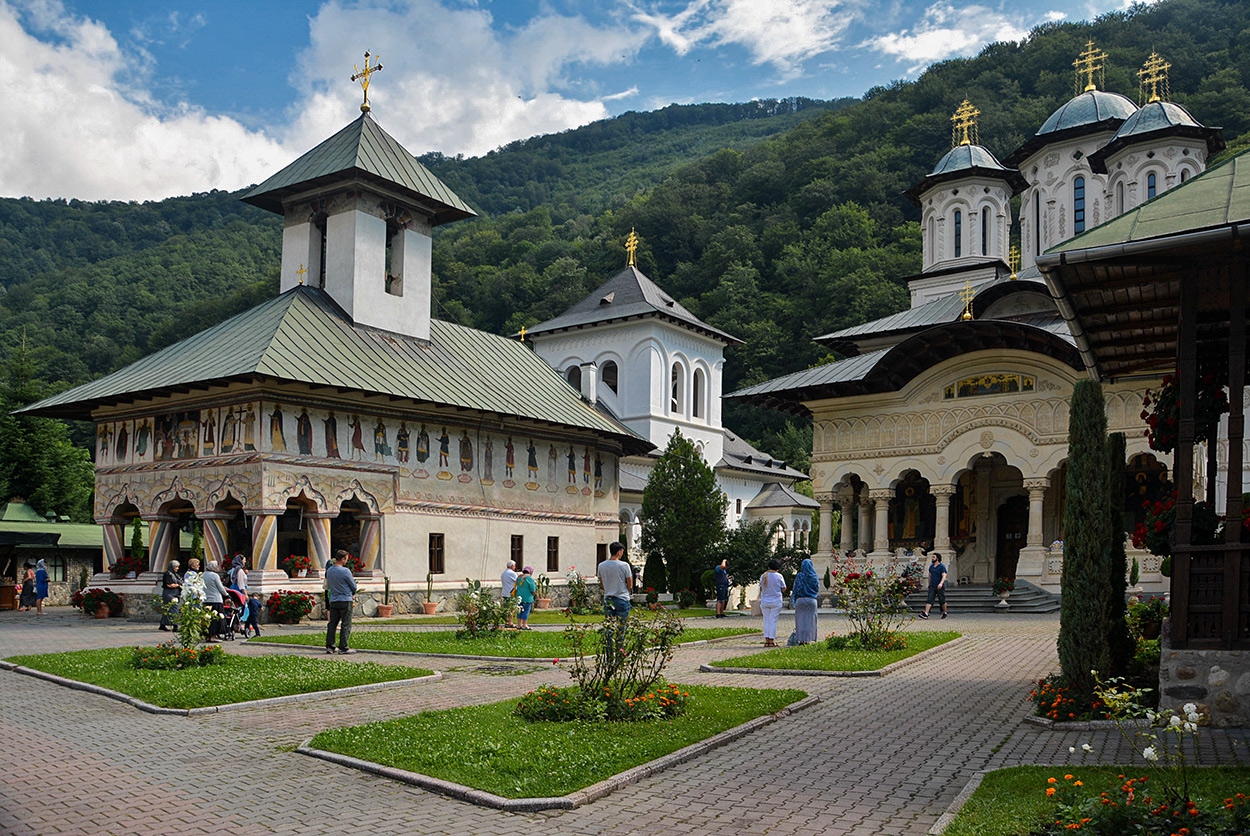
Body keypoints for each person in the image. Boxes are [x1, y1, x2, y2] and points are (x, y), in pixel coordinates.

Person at [597, 541, 633, 663]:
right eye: (622, 551)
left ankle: (609, 658)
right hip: (622, 598)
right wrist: (626, 591)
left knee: (609, 630)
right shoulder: (624, 566)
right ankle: (619, 656)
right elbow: (629, 582)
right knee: (621, 629)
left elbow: (601, 583)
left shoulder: (601, 565)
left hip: (608, 598)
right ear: (619, 552)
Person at [325, 550, 358, 654]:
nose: (347, 561)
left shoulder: (329, 571)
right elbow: (353, 586)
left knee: (332, 624)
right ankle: (343, 647)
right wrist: (352, 592)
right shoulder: (345, 571)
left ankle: (330, 646)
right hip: (345, 599)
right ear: (343, 559)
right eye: (346, 559)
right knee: (346, 624)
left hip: (334, 599)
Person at [759, 559, 787, 647]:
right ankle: (772, 640)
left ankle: (767, 640)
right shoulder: (779, 576)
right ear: (777, 568)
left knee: (766, 620)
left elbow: (761, 588)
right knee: (773, 621)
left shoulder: (763, 576)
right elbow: (784, 588)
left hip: (765, 601)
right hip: (776, 601)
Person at [791, 558, 820, 643]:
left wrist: (793, 600)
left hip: (800, 600)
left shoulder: (800, 576)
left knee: (800, 620)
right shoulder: (814, 576)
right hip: (812, 600)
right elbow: (817, 588)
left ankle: (801, 639)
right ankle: (809, 639)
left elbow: (795, 588)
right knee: (810, 621)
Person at [201, 560, 228, 641]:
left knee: (207, 619)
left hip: (205, 599)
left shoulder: (202, 575)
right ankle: (213, 636)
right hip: (215, 599)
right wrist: (226, 594)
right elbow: (220, 588)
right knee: (215, 619)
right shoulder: (214, 576)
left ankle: (207, 636)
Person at [920, 552, 949, 620]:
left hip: (939, 586)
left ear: (937, 558)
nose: (932, 559)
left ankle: (944, 612)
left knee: (942, 600)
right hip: (932, 586)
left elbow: (944, 575)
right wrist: (929, 584)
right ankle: (926, 614)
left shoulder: (942, 566)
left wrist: (941, 583)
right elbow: (930, 576)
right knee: (929, 599)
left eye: (933, 557)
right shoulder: (931, 566)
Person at [158, 559, 182, 631]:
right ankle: (175, 625)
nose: (177, 568)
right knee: (174, 609)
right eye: (176, 567)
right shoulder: (168, 574)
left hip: (175, 593)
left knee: (167, 610)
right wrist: (178, 585)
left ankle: (162, 624)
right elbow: (169, 585)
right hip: (169, 593)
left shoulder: (175, 574)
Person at [515, 566, 537, 630]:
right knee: (526, 611)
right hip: (527, 598)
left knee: (519, 611)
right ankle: (525, 625)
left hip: (519, 597)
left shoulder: (519, 578)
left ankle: (519, 624)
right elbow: (532, 589)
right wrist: (534, 594)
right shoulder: (529, 578)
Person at [500, 560, 519, 627]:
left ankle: (507, 621)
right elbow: (518, 581)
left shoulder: (503, 573)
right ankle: (510, 622)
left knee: (507, 608)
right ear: (511, 566)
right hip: (511, 593)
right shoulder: (512, 573)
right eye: (514, 566)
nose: (515, 567)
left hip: (504, 592)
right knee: (511, 608)